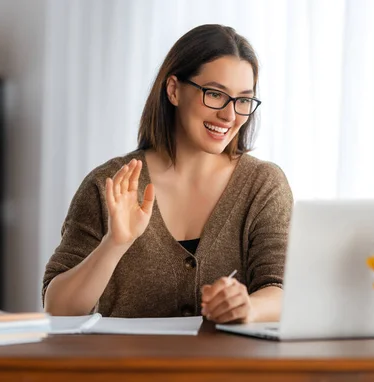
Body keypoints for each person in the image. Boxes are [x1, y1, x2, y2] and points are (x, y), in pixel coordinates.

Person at [42, 24, 293, 324]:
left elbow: (284, 290)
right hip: (127, 371)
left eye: (243, 100)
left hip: (229, 371)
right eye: (215, 94)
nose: (229, 115)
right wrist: (115, 244)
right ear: (174, 90)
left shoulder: (262, 185)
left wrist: (248, 307)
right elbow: (57, 308)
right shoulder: (108, 184)